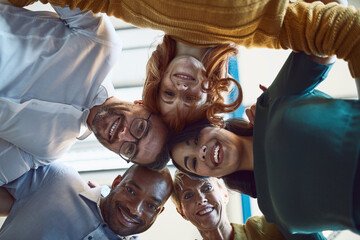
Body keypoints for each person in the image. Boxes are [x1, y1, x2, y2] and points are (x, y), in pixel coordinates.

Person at [11, 0, 360, 132]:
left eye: (168, 93)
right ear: (213, 91)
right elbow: (349, 33)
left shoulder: (131, 9)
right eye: (191, 99)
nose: (182, 88)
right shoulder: (263, 29)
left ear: (158, 78)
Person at [169, 51, 360, 238]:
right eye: (192, 162)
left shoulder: (269, 105)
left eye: (195, 140)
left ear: (213, 124)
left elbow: (325, 41)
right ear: (208, 175)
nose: (200, 152)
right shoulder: (271, 211)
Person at [0, 2, 170, 186]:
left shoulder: (48, 151)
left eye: (129, 149)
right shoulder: (102, 44)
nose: (123, 135)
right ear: (141, 104)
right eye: (139, 128)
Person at [0, 162, 173, 239]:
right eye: (131, 191)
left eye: (151, 205)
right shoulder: (58, 179)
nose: (135, 209)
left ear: (159, 212)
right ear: (116, 183)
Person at [171, 170, 286, 240]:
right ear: (181, 212)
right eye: (188, 196)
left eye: (207, 188)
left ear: (225, 194)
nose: (201, 200)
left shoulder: (265, 230)